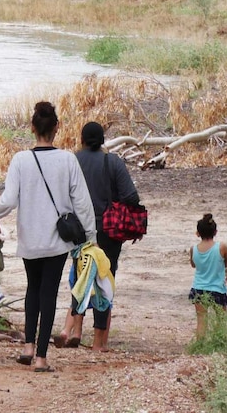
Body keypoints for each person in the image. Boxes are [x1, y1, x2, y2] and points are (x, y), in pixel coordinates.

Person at [0, 101, 95, 372]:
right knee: (48, 294)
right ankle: (42, 358)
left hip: (30, 239)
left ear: (32, 128)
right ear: (56, 128)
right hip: (57, 241)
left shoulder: (21, 160)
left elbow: (9, 199)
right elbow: (82, 202)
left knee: (32, 290)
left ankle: (27, 347)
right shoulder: (68, 159)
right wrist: (91, 235)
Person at [56, 121, 142, 352]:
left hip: (79, 233)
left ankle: (75, 330)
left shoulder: (73, 161)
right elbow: (131, 197)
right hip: (108, 231)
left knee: (81, 278)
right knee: (104, 281)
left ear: (82, 140)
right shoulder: (112, 162)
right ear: (102, 140)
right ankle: (97, 344)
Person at [188, 213, 227, 338]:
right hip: (216, 288)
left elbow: (193, 264)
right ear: (215, 232)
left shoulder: (194, 249)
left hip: (198, 288)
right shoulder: (221, 247)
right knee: (221, 320)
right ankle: (219, 343)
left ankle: (200, 347)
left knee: (201, 321)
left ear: (197, 233)